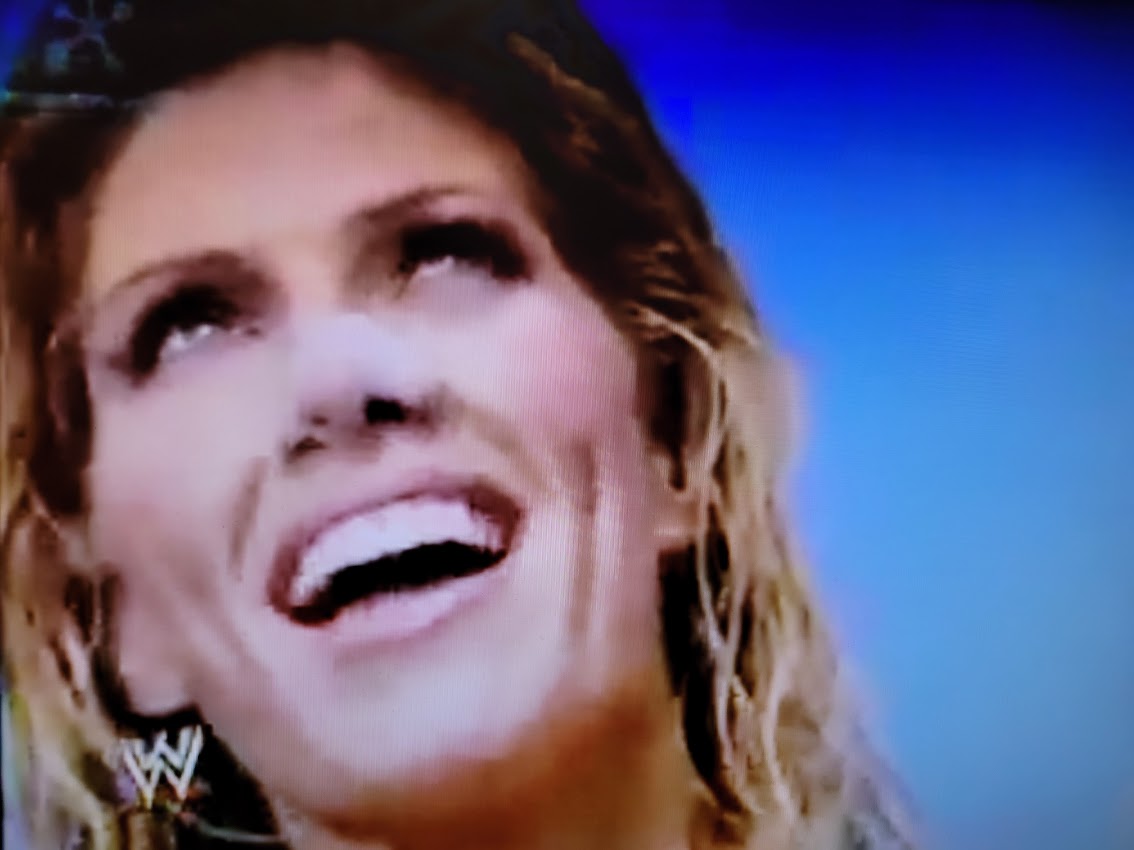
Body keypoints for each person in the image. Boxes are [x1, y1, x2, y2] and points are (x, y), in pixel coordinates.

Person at [0, 2, 917, 848]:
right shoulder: (153, 766)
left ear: (674, 430)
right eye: (188, 328)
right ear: (111, 616)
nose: (340, 380)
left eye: (444, 254)